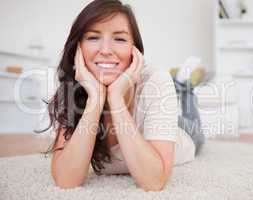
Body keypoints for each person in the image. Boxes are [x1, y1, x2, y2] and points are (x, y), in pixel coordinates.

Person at [45, 0, 204, 191]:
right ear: (78, 48)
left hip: (183, 132)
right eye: (93, 37)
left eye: (119, 39)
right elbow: (66, 180)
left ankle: (185, 87)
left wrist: (116, 100)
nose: (105, 50)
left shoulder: (156, 80)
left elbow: (154, 181)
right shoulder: (73, 87)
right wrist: (95, 100)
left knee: (190, 113)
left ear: (134, 50)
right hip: (149, 115)